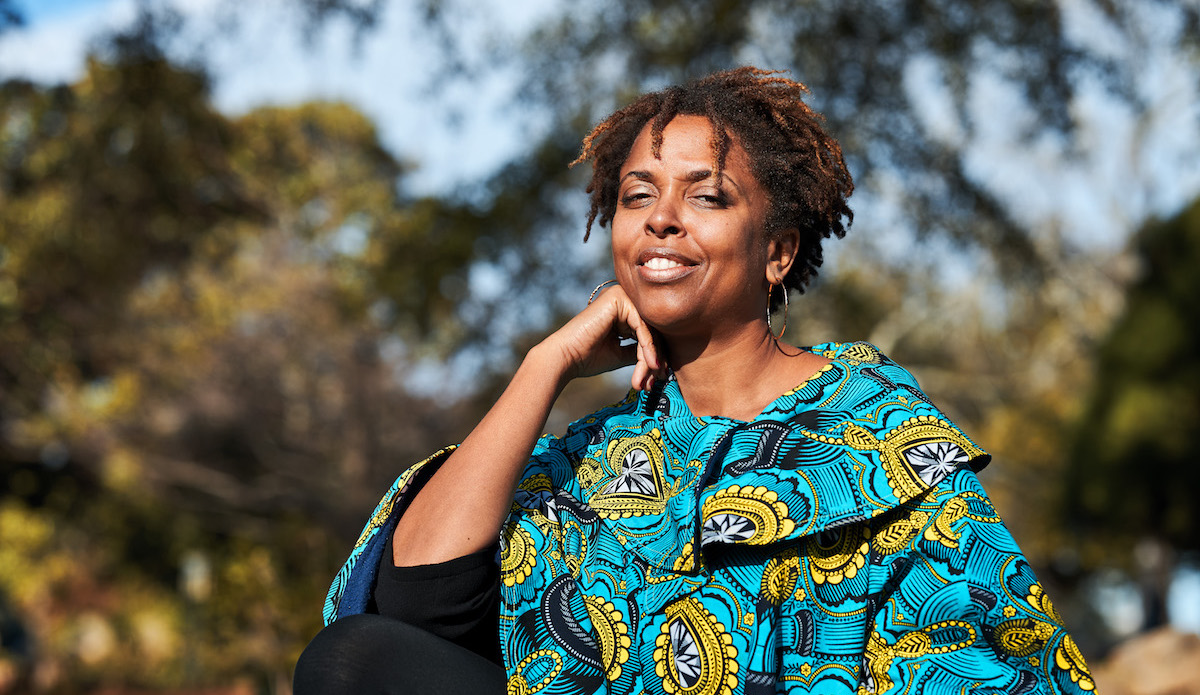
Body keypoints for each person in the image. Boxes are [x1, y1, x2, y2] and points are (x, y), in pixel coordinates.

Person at [295, 67, 1095, 695]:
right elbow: (418, 605)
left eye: (705, 196)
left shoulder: (879, 439)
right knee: (353, 661)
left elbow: (990, 663)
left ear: (777, 253)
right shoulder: (590, 461)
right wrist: (547, 366)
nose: (660, 218)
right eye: (637, 195)